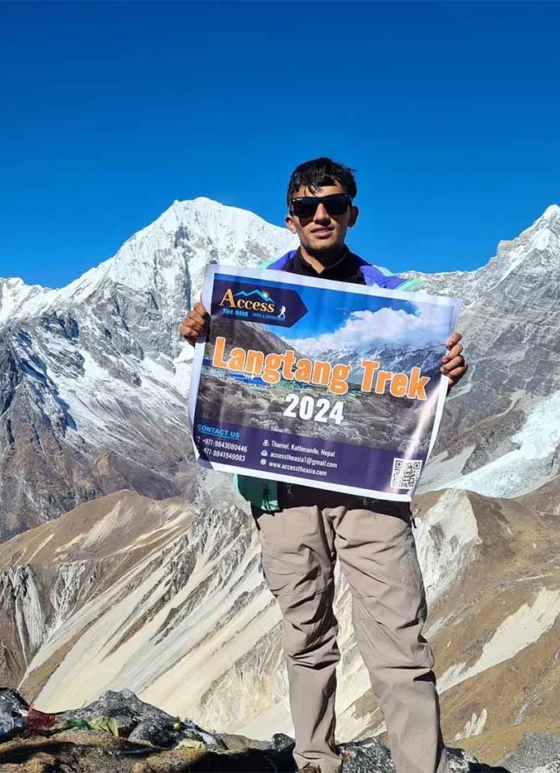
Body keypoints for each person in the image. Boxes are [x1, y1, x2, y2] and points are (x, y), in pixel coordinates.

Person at [179, 158, 468, 773]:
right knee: (305, 635)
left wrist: (446, 372)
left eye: (333, 205)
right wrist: (205, 331)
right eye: (307, 208)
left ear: (351, 214)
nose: (320, 216)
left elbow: (415, 391)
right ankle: (314, 760)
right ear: (290, 219)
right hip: (283, 491)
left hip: (372, 495)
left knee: (399, 642)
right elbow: (225, 377)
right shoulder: (246, 296)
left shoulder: (399, 298)